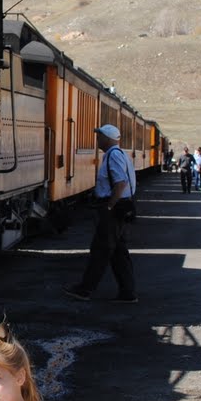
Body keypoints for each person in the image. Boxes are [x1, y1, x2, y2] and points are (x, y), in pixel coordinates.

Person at [63, 124, 137, 304]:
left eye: (100, 136)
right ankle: (128, 293)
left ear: (108, 138)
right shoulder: (119, 155)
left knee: (101, 250)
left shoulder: (113, 155)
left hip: (113, 208)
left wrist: (110, 206)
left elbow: (120, 183)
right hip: (121, 207)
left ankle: (85, 290)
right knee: (119, 252)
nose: (98, 139)